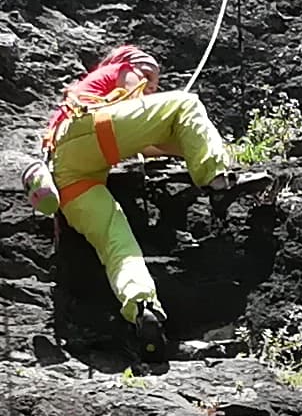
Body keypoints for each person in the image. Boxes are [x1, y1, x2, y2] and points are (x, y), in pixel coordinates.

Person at [30, 44, 256, 331]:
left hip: (67, 175)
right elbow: (134, 105)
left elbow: (147, 143)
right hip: (92, 129)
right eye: (150, 79)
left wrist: (186, 144)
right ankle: (219, 181)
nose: (151, 88)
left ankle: (141, 307)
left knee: (116, 240)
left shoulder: (78, 99)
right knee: (187, 103)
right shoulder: (122, 70)